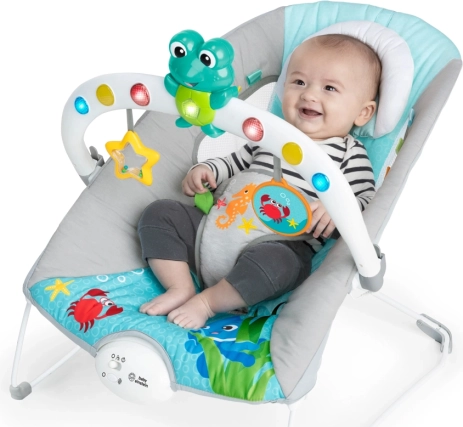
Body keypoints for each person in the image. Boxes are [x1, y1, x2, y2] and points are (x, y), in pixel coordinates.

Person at [137, 34, 381, 329]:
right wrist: (207, 170)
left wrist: (336, 210)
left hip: (277, 244)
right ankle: (180, 287)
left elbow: (367, 202)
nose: (309, 95)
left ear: (363, 112)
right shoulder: (270, 135)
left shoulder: (349, 153)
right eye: (299, 82)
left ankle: (207, 303)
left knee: (278, 265)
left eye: (329, 88)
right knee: (160, 213)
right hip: (215, 226)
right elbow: (234, 162)